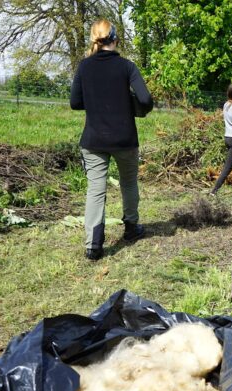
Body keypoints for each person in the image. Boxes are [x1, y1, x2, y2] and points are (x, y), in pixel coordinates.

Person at [70, 19, 153, 261]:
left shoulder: (84, 67)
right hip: (125, 138)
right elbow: (146, 100)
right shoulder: (127, 67)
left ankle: (93, 245)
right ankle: (131, 228)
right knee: (128, 183)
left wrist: (97, 103)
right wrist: (130, 105)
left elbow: (75, 103)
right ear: (115, 38)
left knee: (96, 190)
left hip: (94, 139)